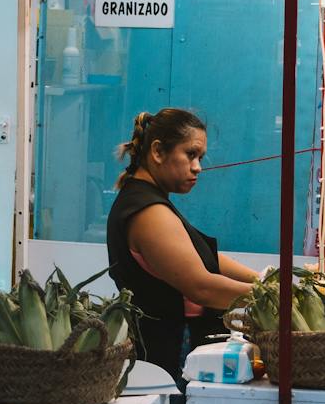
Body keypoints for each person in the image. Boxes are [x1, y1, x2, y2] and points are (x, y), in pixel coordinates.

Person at [105, 109, 261, 382]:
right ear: (157, 152)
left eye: (199, 158)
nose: (198, 167)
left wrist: (262, 281)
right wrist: (276, 299)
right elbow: (201, 286)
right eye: (190, 155)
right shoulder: (149, 212)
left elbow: (200, 257)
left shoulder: (148, 200)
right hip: (171, 348)